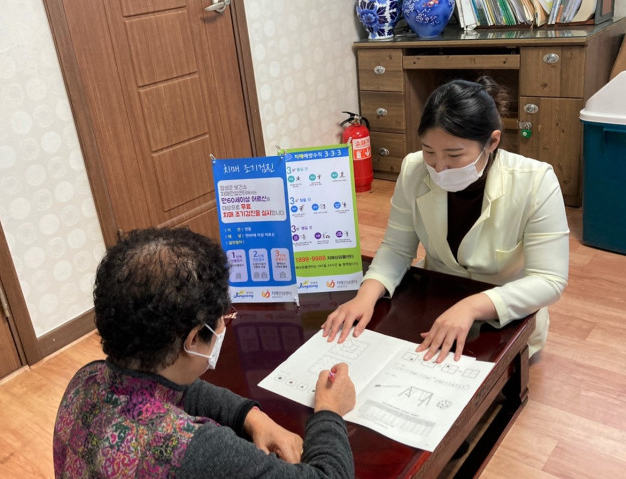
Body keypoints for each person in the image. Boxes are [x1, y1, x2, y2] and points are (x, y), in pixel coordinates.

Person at [54, 228, 356, 478]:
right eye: (222, 319)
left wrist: (252, 418)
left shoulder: (86, 379)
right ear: (194, 338)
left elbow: (179, 389)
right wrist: (329, 409)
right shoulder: (193, 447)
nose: (225, 326)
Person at [322, 76, 569, 363]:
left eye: (454, 155)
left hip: (506, 312)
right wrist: (365, 295)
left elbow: (549, 280)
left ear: (492, 141)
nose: (439, 167)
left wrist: (473, 306)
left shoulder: (535, 181)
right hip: (435, 305)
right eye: (429, 151)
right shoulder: (415, 169)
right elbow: (396, 248)